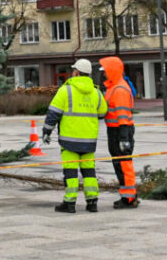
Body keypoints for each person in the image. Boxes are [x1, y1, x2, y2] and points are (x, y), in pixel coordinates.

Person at [42, 58, 107, 214]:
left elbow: (53, 113)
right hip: (89, 139)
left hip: (69, 139)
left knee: (70, 171)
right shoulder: (96, 92)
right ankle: (92, 202)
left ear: (76, 72)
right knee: (89, 171)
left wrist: (46, 131)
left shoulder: (66, 90)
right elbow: (103, 112)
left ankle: (69, 202)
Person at [100, 56, 137, 208]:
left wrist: (123, 138)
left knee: (124, 164)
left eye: (106, 71)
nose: (104, 74)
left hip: (121, 131)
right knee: (119, 164)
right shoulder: (113, 88)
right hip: (115, 130)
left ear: (113, 71)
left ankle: (129, 198)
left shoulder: (119, 89)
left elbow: (123, 116)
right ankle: (127, 195)